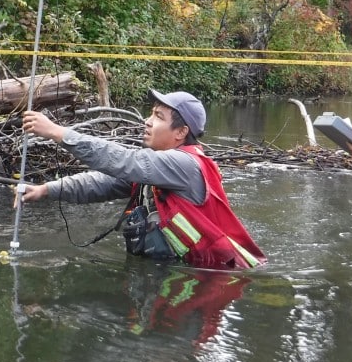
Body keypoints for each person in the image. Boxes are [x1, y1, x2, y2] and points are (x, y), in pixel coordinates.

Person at [17, 89, 267, 270]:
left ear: (181, 132)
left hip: (208, 278)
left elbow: (123, 160)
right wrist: (47, 189)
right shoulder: (159, 165)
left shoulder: (185, 164)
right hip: (173, 270)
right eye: (151, 114)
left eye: (159, 116)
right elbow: (105, 182)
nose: (147, 121)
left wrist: (57, 132)